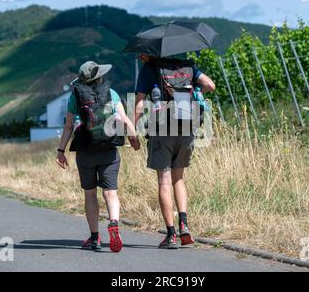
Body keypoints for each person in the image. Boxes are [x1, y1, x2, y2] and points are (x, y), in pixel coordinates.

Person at [56, 61, 140, 253]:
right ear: (100, 77)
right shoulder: (111, 93)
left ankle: (95, 238)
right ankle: (114, 223)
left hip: (85, 152)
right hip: (109, 150)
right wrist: (133, 137)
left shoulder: (75, 97)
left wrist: (61, 151)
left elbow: (69, 126)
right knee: (111, 192)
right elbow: (123, 118)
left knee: (90, 193)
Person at [134, 53, 216, 249]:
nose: (139, 56)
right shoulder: (187, 67)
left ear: (151, 53)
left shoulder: (149, 70)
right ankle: (184, 225)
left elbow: (139, 102)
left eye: (142, 53)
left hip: (162, 129)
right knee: (179, 178)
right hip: (187, 126)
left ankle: (170, 235)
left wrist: (132, 129)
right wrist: (194, 90)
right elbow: (210, 85)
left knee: (164, 181)